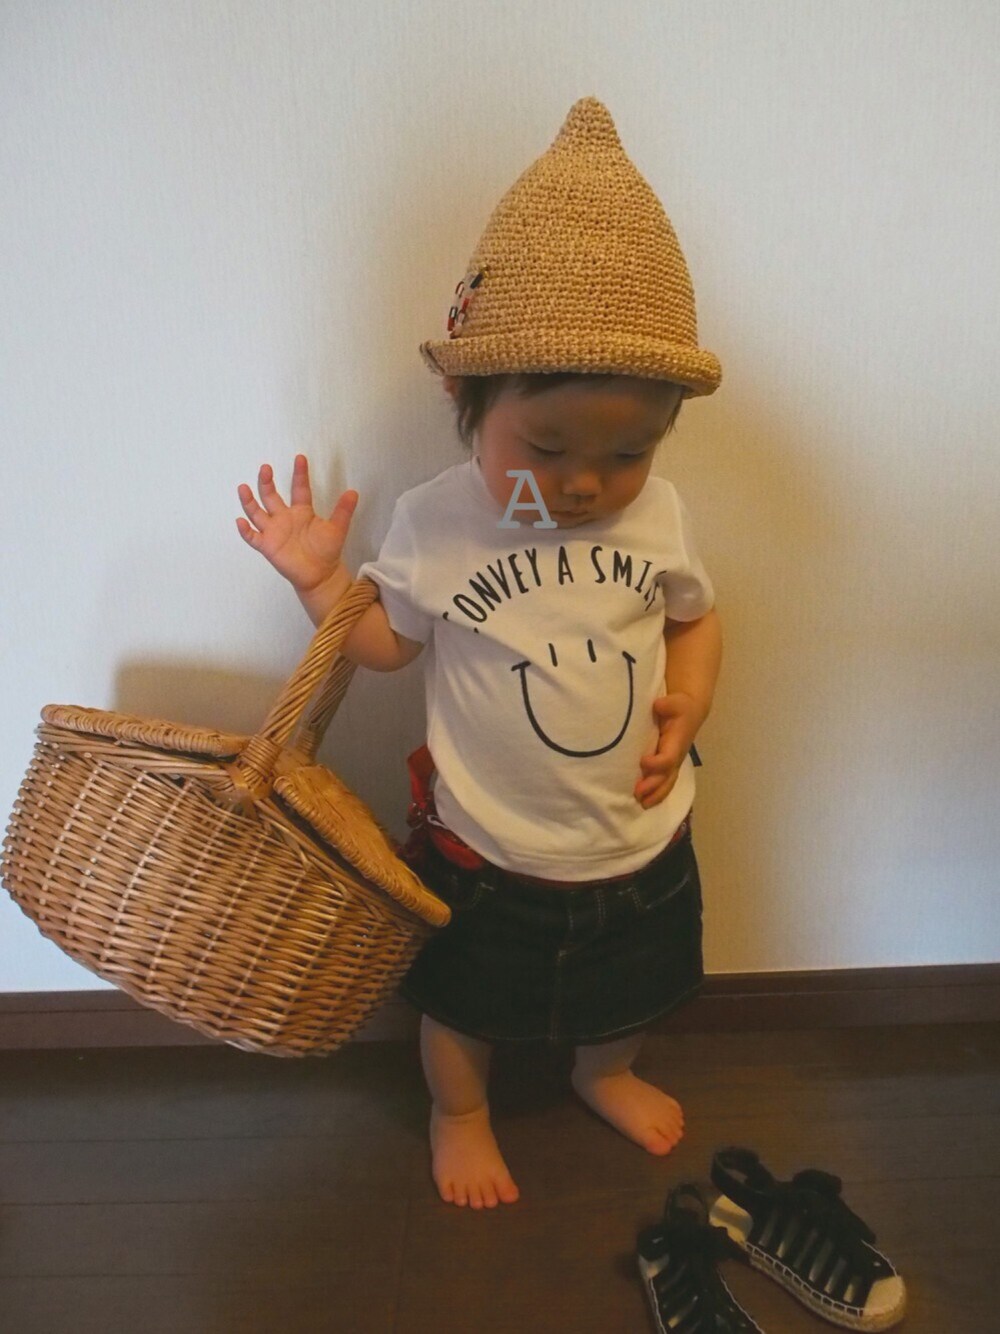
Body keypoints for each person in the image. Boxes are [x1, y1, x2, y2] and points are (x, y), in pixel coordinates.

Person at [235, 98, 723, 1212]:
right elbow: (385, 647)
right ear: (465, 398)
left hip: (640, 839)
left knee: (633, 987)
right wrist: (321, 582)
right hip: (488, 851)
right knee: (464, 1004)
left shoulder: (659, 520)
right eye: (544, 447)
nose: (584, 483)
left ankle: (606, 1070)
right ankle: (460, 1112)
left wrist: (691, 699)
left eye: (627, 452)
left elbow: (698, 615)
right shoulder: (438, 520)